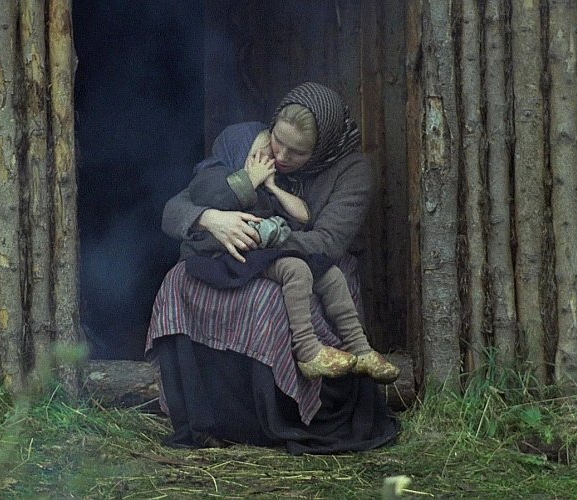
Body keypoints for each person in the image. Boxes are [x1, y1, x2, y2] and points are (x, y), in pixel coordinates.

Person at [147, 82, 400, 454]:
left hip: (312, 262)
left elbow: (327, 242)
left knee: (269, 302)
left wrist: (261, 238)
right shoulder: (252, 147)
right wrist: (211, 219)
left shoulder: (352, 171)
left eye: (297, 152)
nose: (281, 156)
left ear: (321, 148)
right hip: (247, 253)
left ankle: (273, 421)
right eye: (278, 141)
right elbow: (176, 208)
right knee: (178, 279)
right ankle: (203, 416)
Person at [183, 109, 400, 383]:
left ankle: (361, 349)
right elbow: (202, 202)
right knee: (296, 271)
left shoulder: (277, 179)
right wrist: (247, 181)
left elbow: (305, 217)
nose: (279, 157)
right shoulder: (213, 175)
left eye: (295, 151)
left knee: (331, 274)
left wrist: (271, 186)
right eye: (270, 147)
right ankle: (308, 351)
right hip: (227, 251)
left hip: (264, 248)